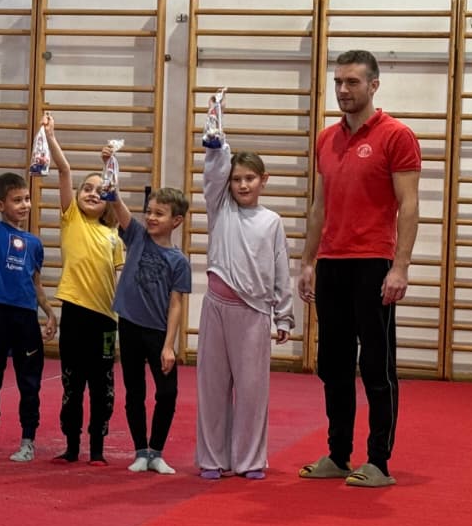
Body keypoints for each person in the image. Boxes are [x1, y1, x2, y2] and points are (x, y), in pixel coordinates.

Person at [298, 50, 421, 488]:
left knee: (375, 367)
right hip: (332, 263)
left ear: (373, 85)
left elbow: (409, 205)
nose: (343, 90)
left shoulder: (396, 136)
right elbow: (320, 206)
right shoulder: (326, 139)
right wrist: (308, 261)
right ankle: (338, 454)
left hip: (373, 263)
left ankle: (378, 462)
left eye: (352, 82)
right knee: (333, 366)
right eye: (338, 82)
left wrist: (400, 267)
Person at [195, 114, 294, 480]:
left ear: (263, 180)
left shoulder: (272, 221)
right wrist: (217, 143)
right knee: (212, 388)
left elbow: (281, 269)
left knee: (252, 391)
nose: (242, 184)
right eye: (236, 179)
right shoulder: (220, 207)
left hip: (253, 313)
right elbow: (213, 174)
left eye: (249, 178)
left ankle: (250, 459)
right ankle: (212, 458)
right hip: (216, 308)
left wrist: (284, 315)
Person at [39, 115, 125, 465]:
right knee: (72, 384)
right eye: (86, 189)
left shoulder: (113, 236)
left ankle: (98, 448)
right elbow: (64, 170)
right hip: (74, 314)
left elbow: (121, 278)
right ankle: (72, 445)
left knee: (102, 386)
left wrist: (110, 167)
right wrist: (51, 137)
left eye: (99, 191)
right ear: (76, 197)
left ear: (109, 200)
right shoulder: (71, 218)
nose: (91, 193)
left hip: (105, 320)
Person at [0, 147, 56, 462]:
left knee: (29, 383)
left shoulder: (35, 243)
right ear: (1, 205)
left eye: (27, 199)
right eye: (17, 200)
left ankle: (27, 441)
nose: (25, 205)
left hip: (26, 319)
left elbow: (36, 284)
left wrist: (49, 312)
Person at [104, 185, 191, 475]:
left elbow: (176, 305)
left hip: (158, 332)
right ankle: (140, 451)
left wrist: (169, 345)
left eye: (159, 214)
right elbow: (118, 206)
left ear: (176, 220)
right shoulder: (137, 236)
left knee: (167, 392)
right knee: (135, 391)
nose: (151, 217)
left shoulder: (179, 261)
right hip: (130, 325)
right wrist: (110, 175)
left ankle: (157, 451)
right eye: (149, 212)